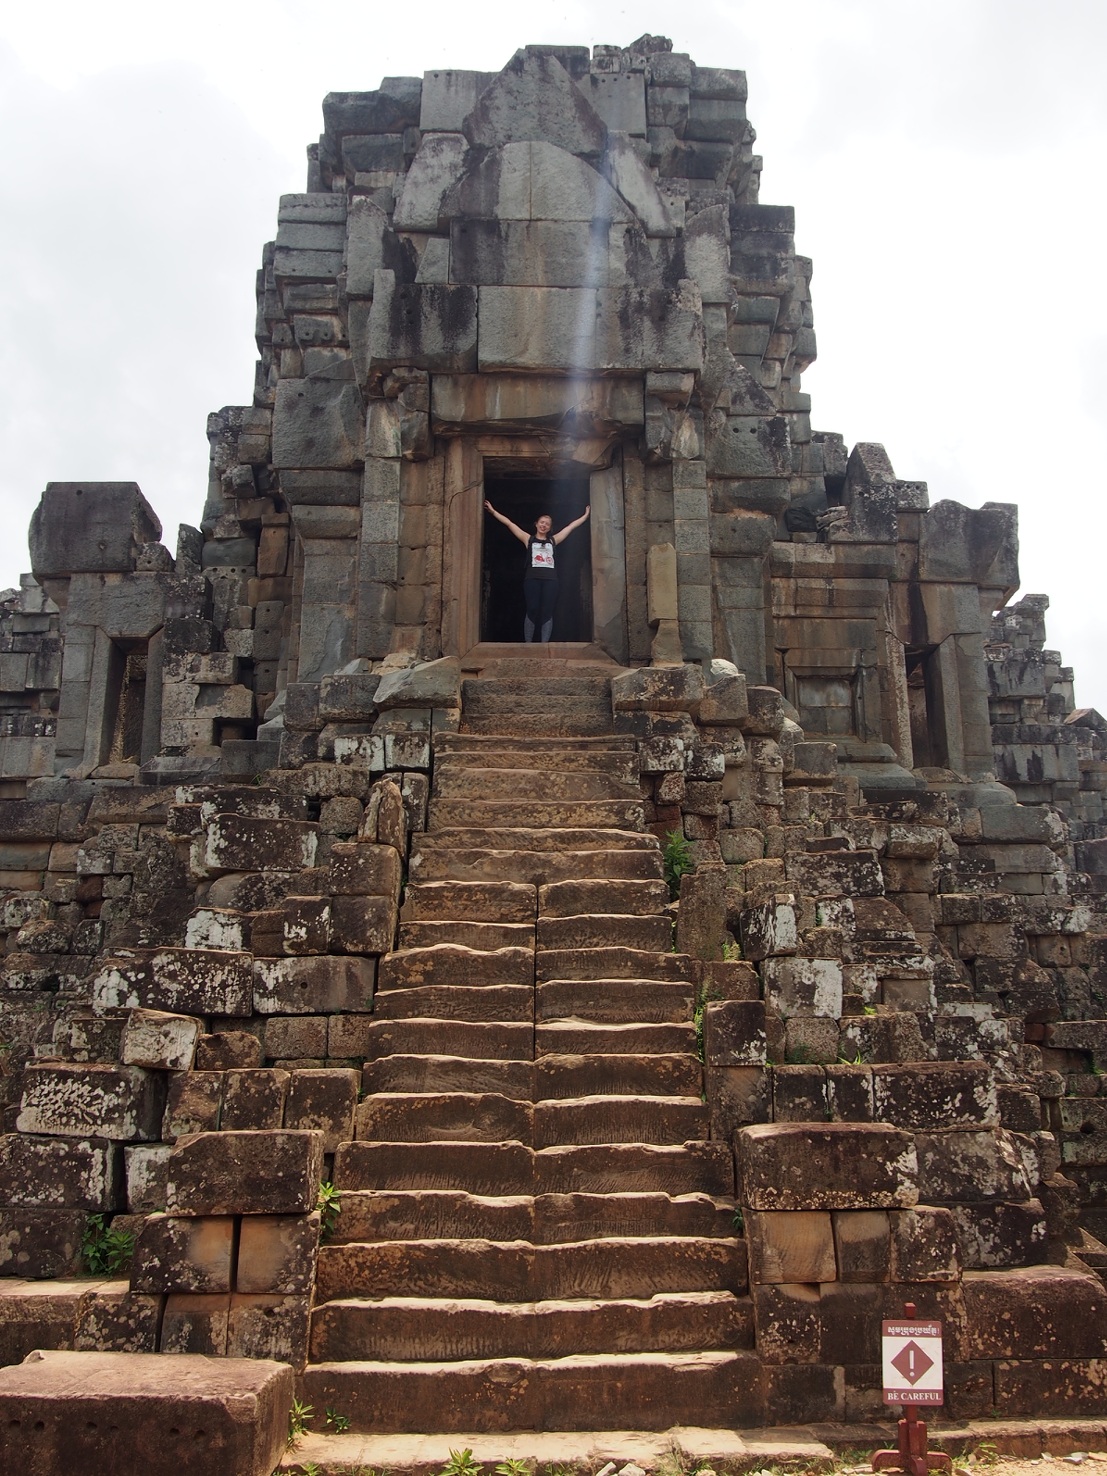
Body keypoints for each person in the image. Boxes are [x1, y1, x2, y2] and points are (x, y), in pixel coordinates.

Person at [482, 501, 591, 643]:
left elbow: (570, 527)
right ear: (536, 524)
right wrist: (493, 511)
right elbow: (509, 524)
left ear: (550, 528)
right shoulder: (528, 539)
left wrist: (585, 516)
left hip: (551, 579)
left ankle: (544, 644)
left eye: (547, 524)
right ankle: (528, 643)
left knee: (547, 611)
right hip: (532, 579)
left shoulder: (553, 541)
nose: (543, 525)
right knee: (532, 609)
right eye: (542, 522)